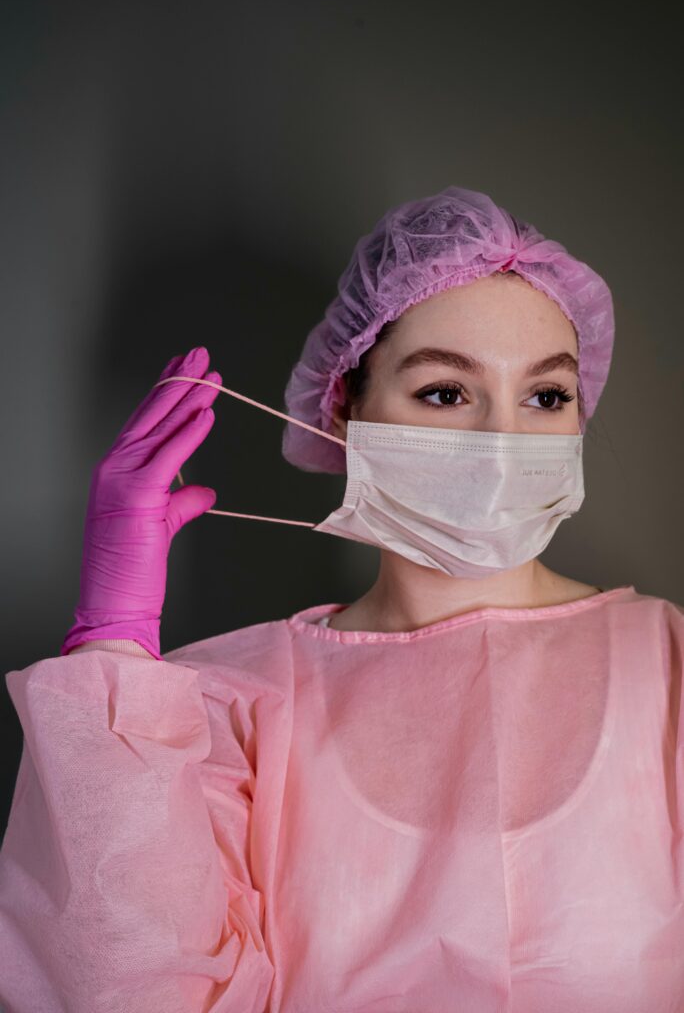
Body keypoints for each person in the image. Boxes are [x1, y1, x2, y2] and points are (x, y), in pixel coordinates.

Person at [0, 186, 682, 1012]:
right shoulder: (228, 707)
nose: (502, 442)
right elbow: (131, 989)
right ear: (345, 410)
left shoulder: (667, 666)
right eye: (445, 392)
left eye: (546, 396)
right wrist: (114, 647)